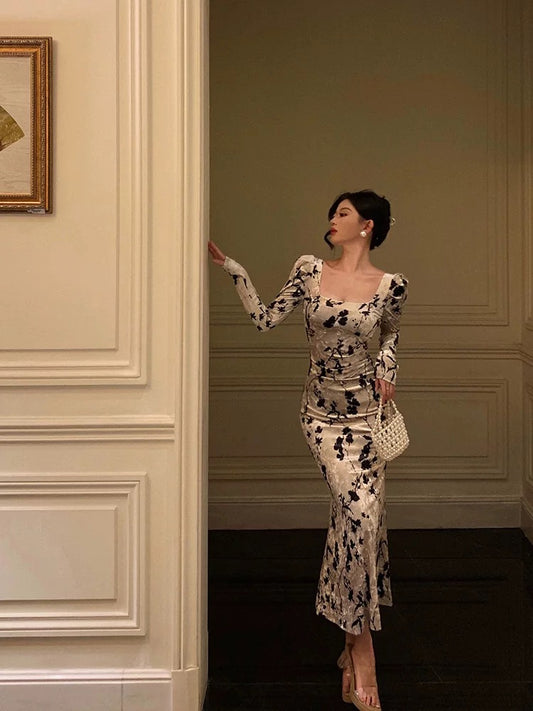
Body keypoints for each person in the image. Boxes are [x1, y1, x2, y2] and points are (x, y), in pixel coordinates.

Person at [208, 189, 409, 711]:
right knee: (359, 515)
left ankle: (350, 639)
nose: (332, 220)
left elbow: (390, 336)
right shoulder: (308, 271)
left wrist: (387, 372)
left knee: (361, 522)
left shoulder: (390, 285)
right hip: (321, 419)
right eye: (333, 213)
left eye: (343, 213)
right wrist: (234, 270)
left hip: (367, 419)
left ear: (367, 225)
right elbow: (265, 318)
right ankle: (363, 650)